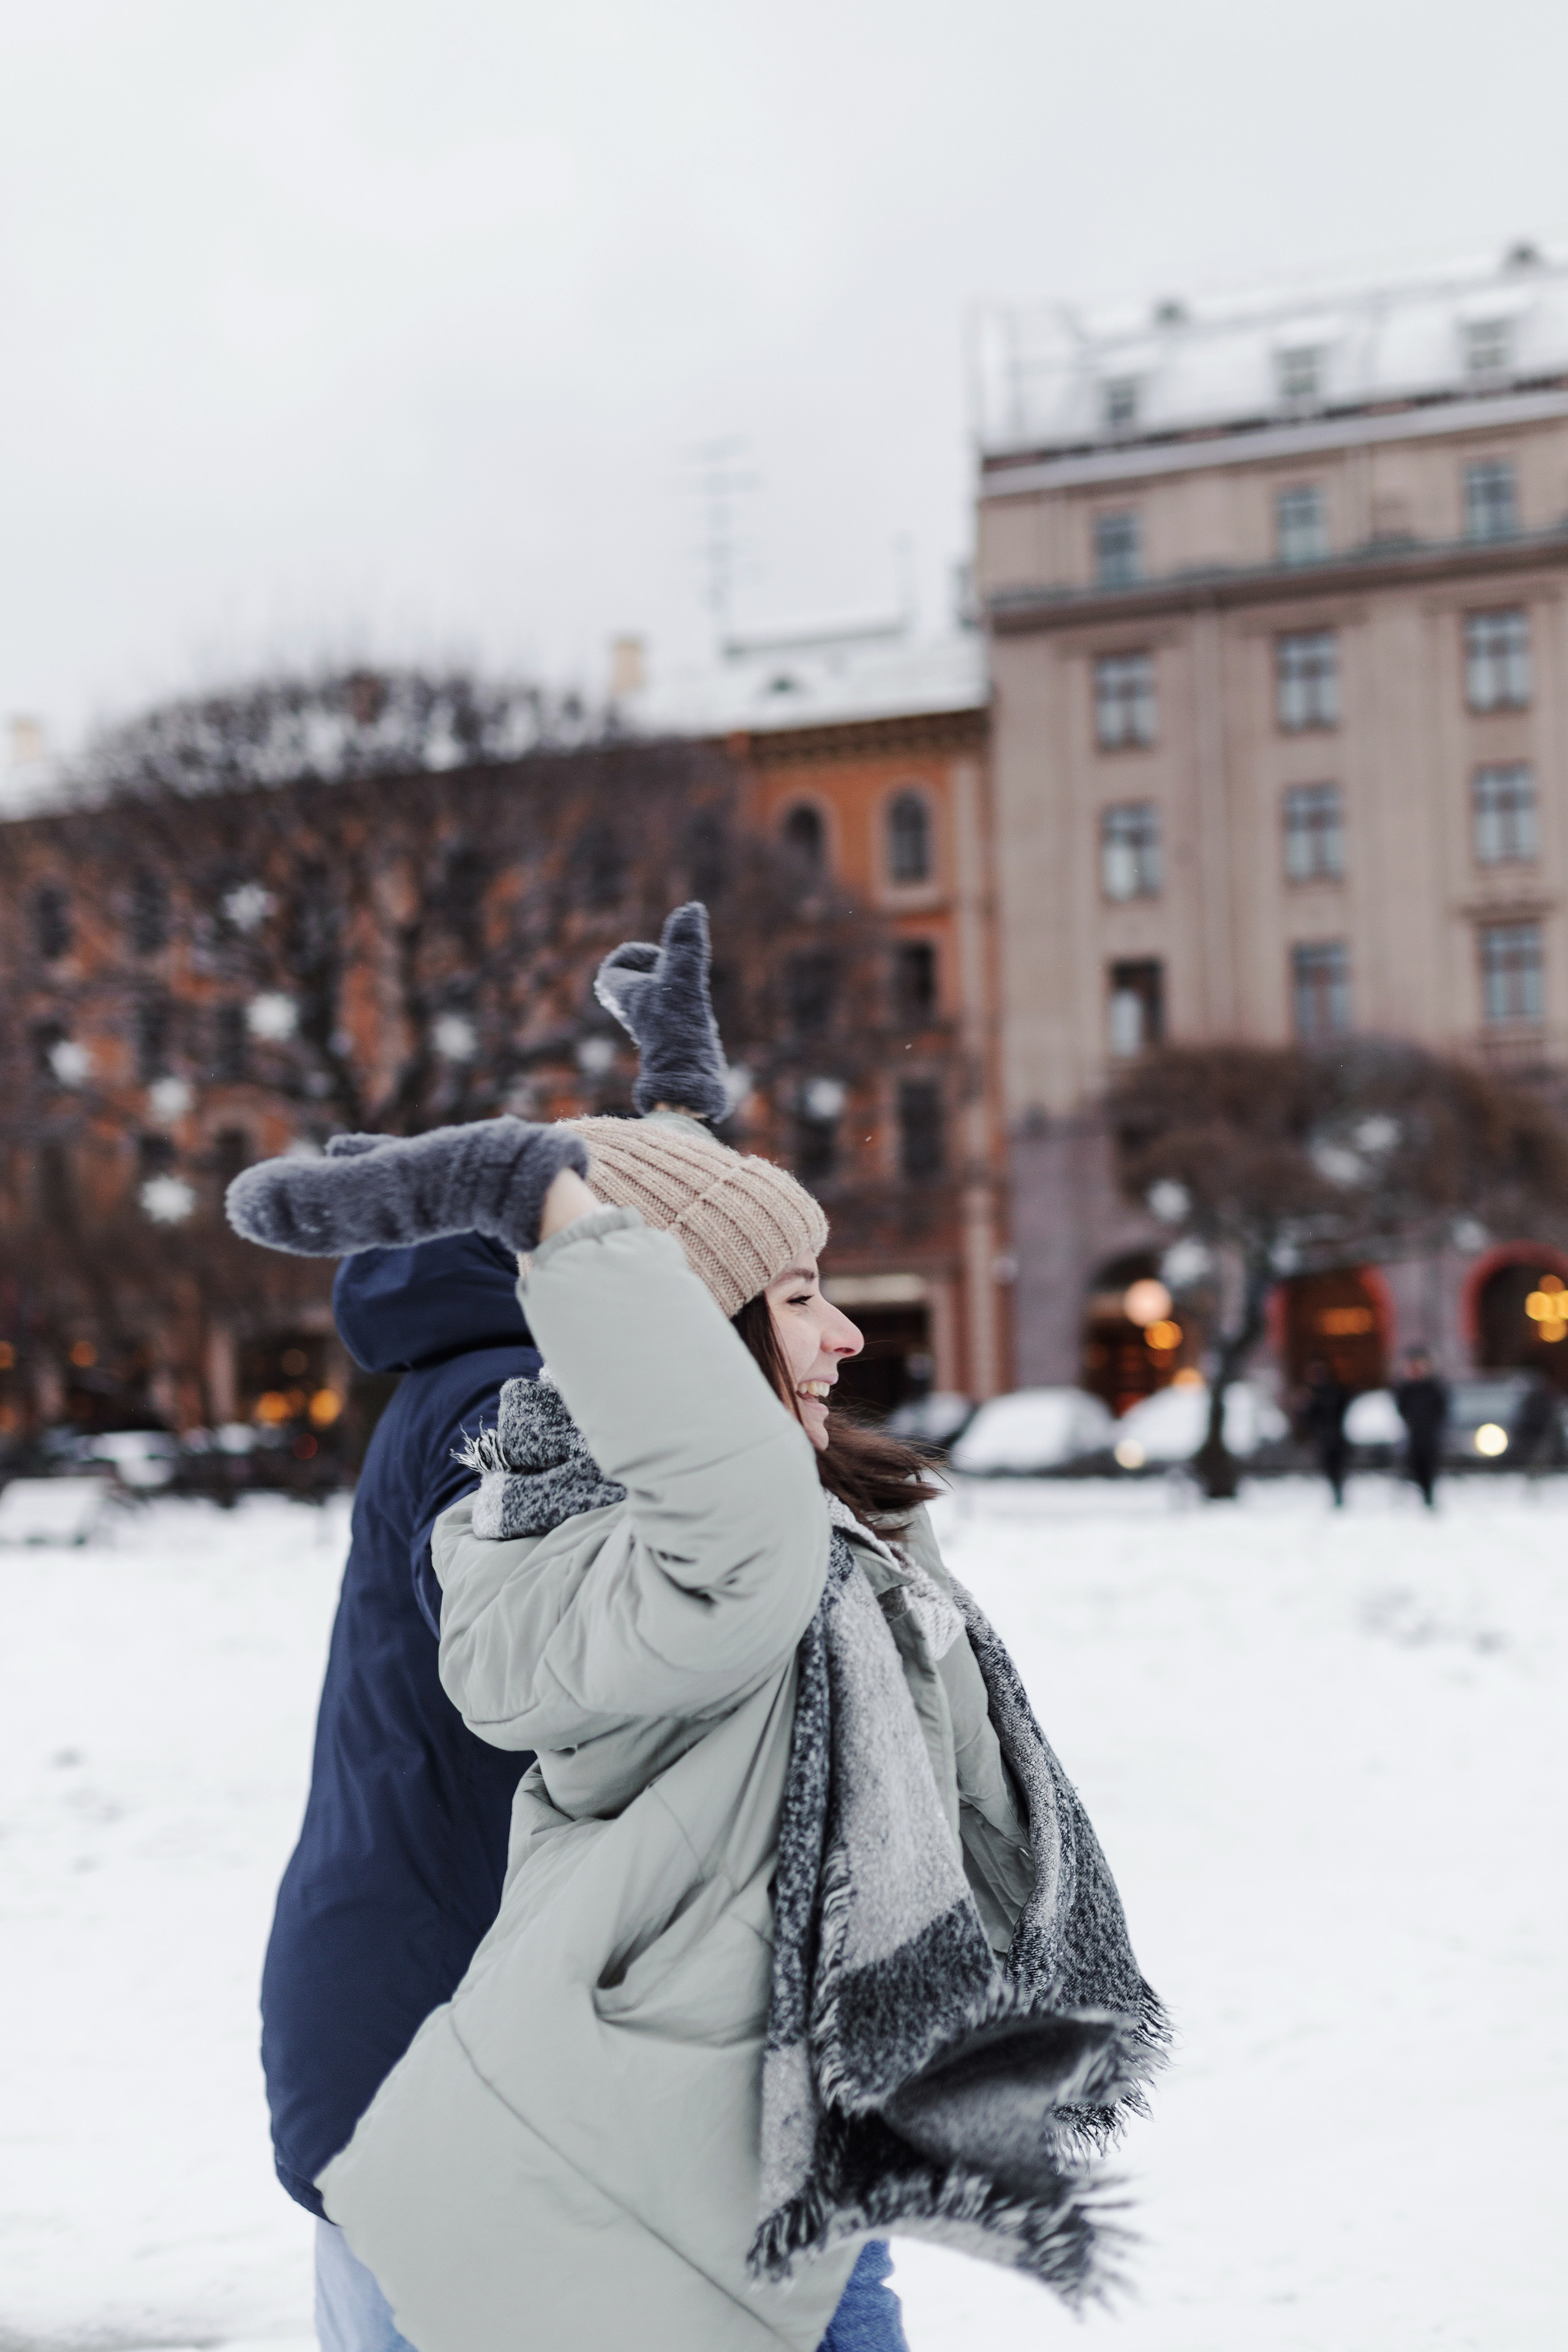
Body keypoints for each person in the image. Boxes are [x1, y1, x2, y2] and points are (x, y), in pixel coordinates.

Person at [229, 905, 1164, 2352]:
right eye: (794, 1294)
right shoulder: (514, 1419)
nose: (844, 1336)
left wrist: (679, 1141)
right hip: (501, 2066)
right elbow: (653, 1586)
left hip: (708, 2083)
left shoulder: (609, 1393)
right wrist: (620, 1221)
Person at [258, 1217, 546, 2346]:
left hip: (384, 1985)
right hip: (452, 2008)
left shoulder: (448, 1383)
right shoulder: (513, 1393)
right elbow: (524, 1663)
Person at [1393, 1349, 1449, 1508]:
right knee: (1414, 1466)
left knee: (1429, 1467)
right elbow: (1401, 1409)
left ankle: (1428, 1497)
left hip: (1430, 1435)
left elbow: (1441, 1409)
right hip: (1413, 1435)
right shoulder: (1406, 1389)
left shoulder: (1433, 1388)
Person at [1300, 1354, 1351, 1507]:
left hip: (1336, 1437)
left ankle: (1339, 1497)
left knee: (1337, 1469)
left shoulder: (1333, 1390)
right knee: (1329, 1470)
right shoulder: (1310, 1393)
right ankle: (1336, 1497)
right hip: (1323, 1439)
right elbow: (1307, 1419)